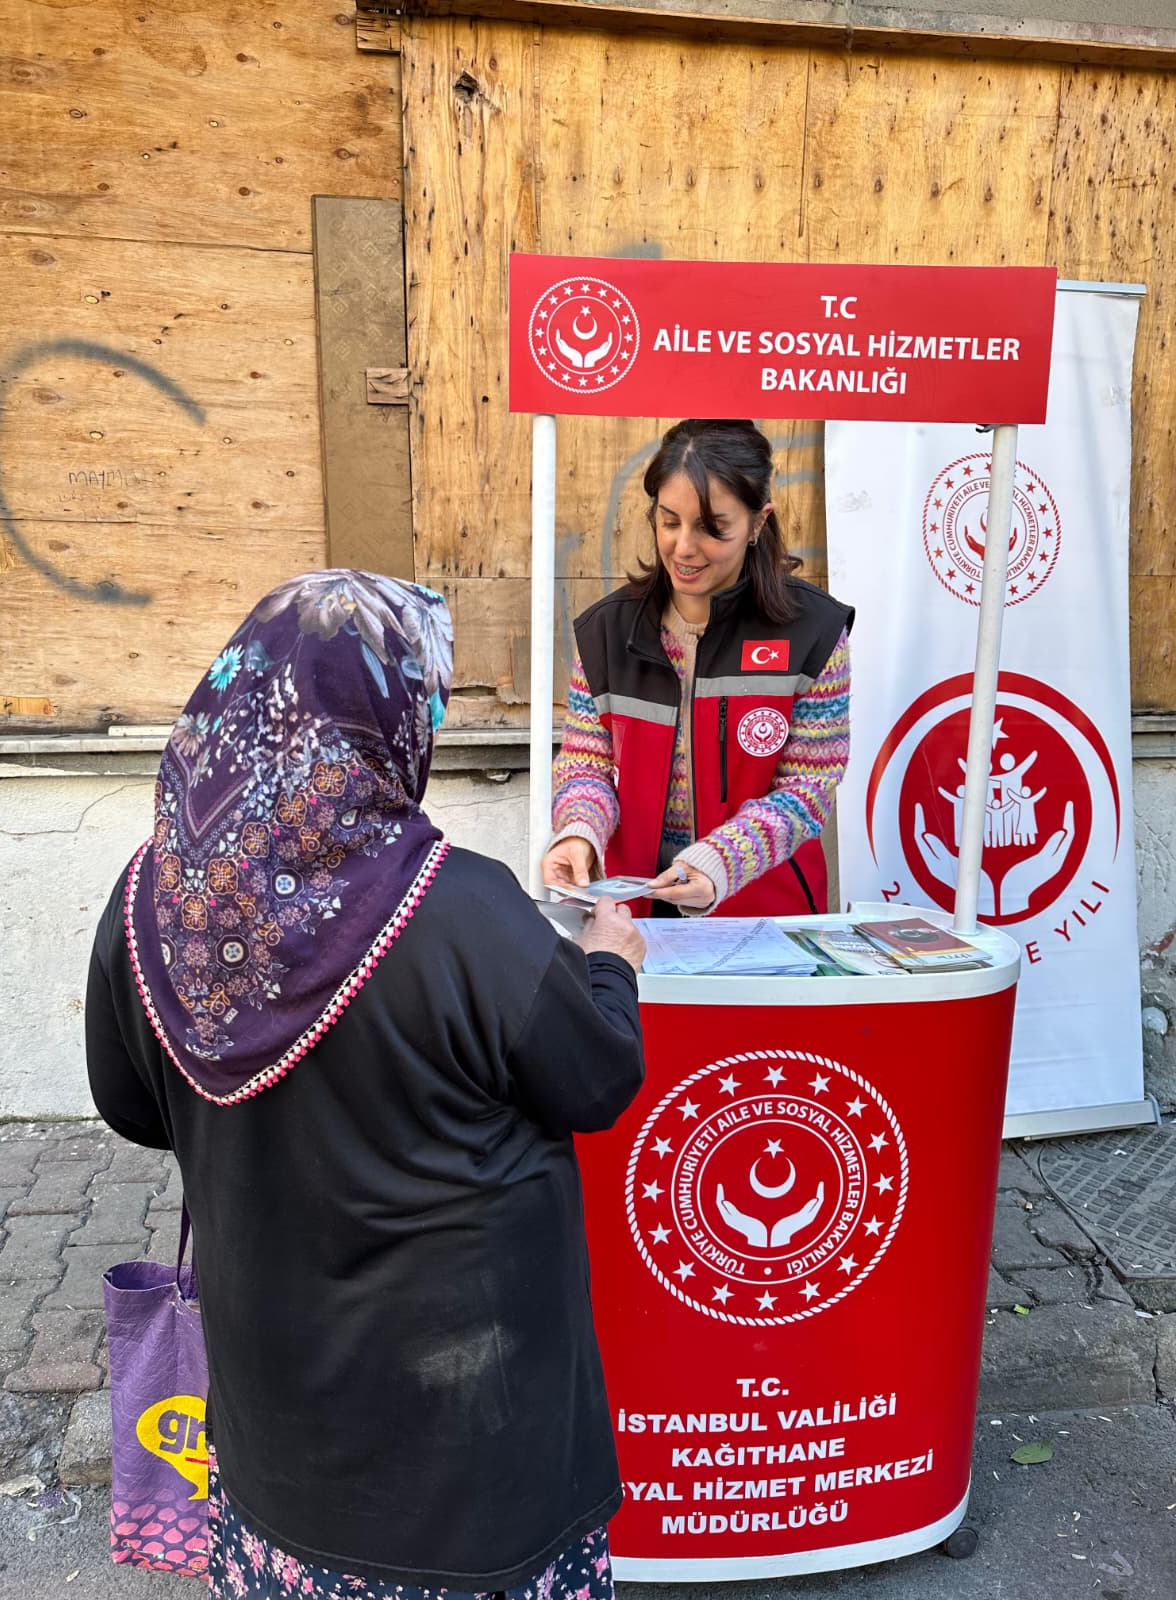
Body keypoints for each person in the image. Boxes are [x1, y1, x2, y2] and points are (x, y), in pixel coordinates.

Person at [85, 570, 647, 1600]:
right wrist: (609, 960)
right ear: (384, 716)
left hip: (275, 1454)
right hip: (477, 1469)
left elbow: (133, 1103)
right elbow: (598, 1077)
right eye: (424, 698)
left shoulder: (146, 895)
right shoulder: (464, 909)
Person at [543, 418, 854, 918]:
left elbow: (808, 788)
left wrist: (719, 862)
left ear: (757, 523)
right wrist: (579, 833)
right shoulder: (606, 633)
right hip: (632, 913)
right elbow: (586, 765)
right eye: (669, 522)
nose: (684, 547)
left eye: (712, 528)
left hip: (765, 917)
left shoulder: (813, 633)